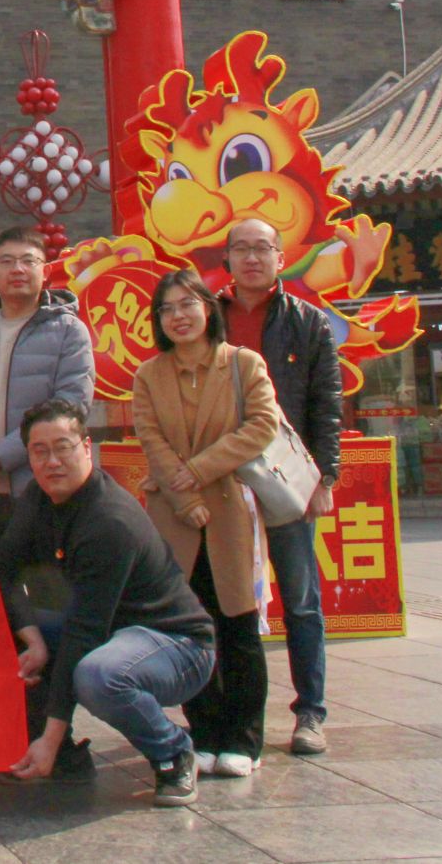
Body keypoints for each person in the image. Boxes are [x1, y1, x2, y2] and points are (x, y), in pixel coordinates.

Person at [0, 399, 215, 808]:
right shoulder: (37, 498)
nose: (52, 461)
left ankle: (173, 752)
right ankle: (63, 756)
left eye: (63, 447)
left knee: (98, 675)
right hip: (106, 632)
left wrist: (49, 737)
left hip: (176, 646)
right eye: (40, 451)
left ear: (86, 448)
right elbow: (5, 569)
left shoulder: (109, 521)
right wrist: (32, 639)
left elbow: (85, 632)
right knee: (5, 630)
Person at [131, 269, 282, 778]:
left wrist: (196, 473)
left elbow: (261, 425)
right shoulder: (149, 375)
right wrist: (184, 496)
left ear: (208, 309)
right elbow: (151, 439)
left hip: (230, 510)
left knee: (237, 624)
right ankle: (205, 732)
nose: (178, 316)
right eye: (167, 308)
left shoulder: (242, 364)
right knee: (190, 630)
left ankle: (245, 738)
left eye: (188, 304)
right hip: (174, 516)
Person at [219, 217, 342, 757]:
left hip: (287, 475)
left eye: (262, 248)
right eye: (241, 249)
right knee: (228, 600)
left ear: (280, 256)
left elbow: (326, 406)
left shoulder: (308, 322)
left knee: (301, 601)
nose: (252, 258)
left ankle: (310, 712)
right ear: (227, 258)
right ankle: (232, 715)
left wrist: (324, 477)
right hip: (224, 475)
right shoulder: (209, 318)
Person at [0, 227, 94, 544]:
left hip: (38, 486)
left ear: (45, 271)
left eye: (29, 261)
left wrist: (3, 455)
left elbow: (72, 406)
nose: (17, 269)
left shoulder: (69, 331)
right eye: (6, 261)